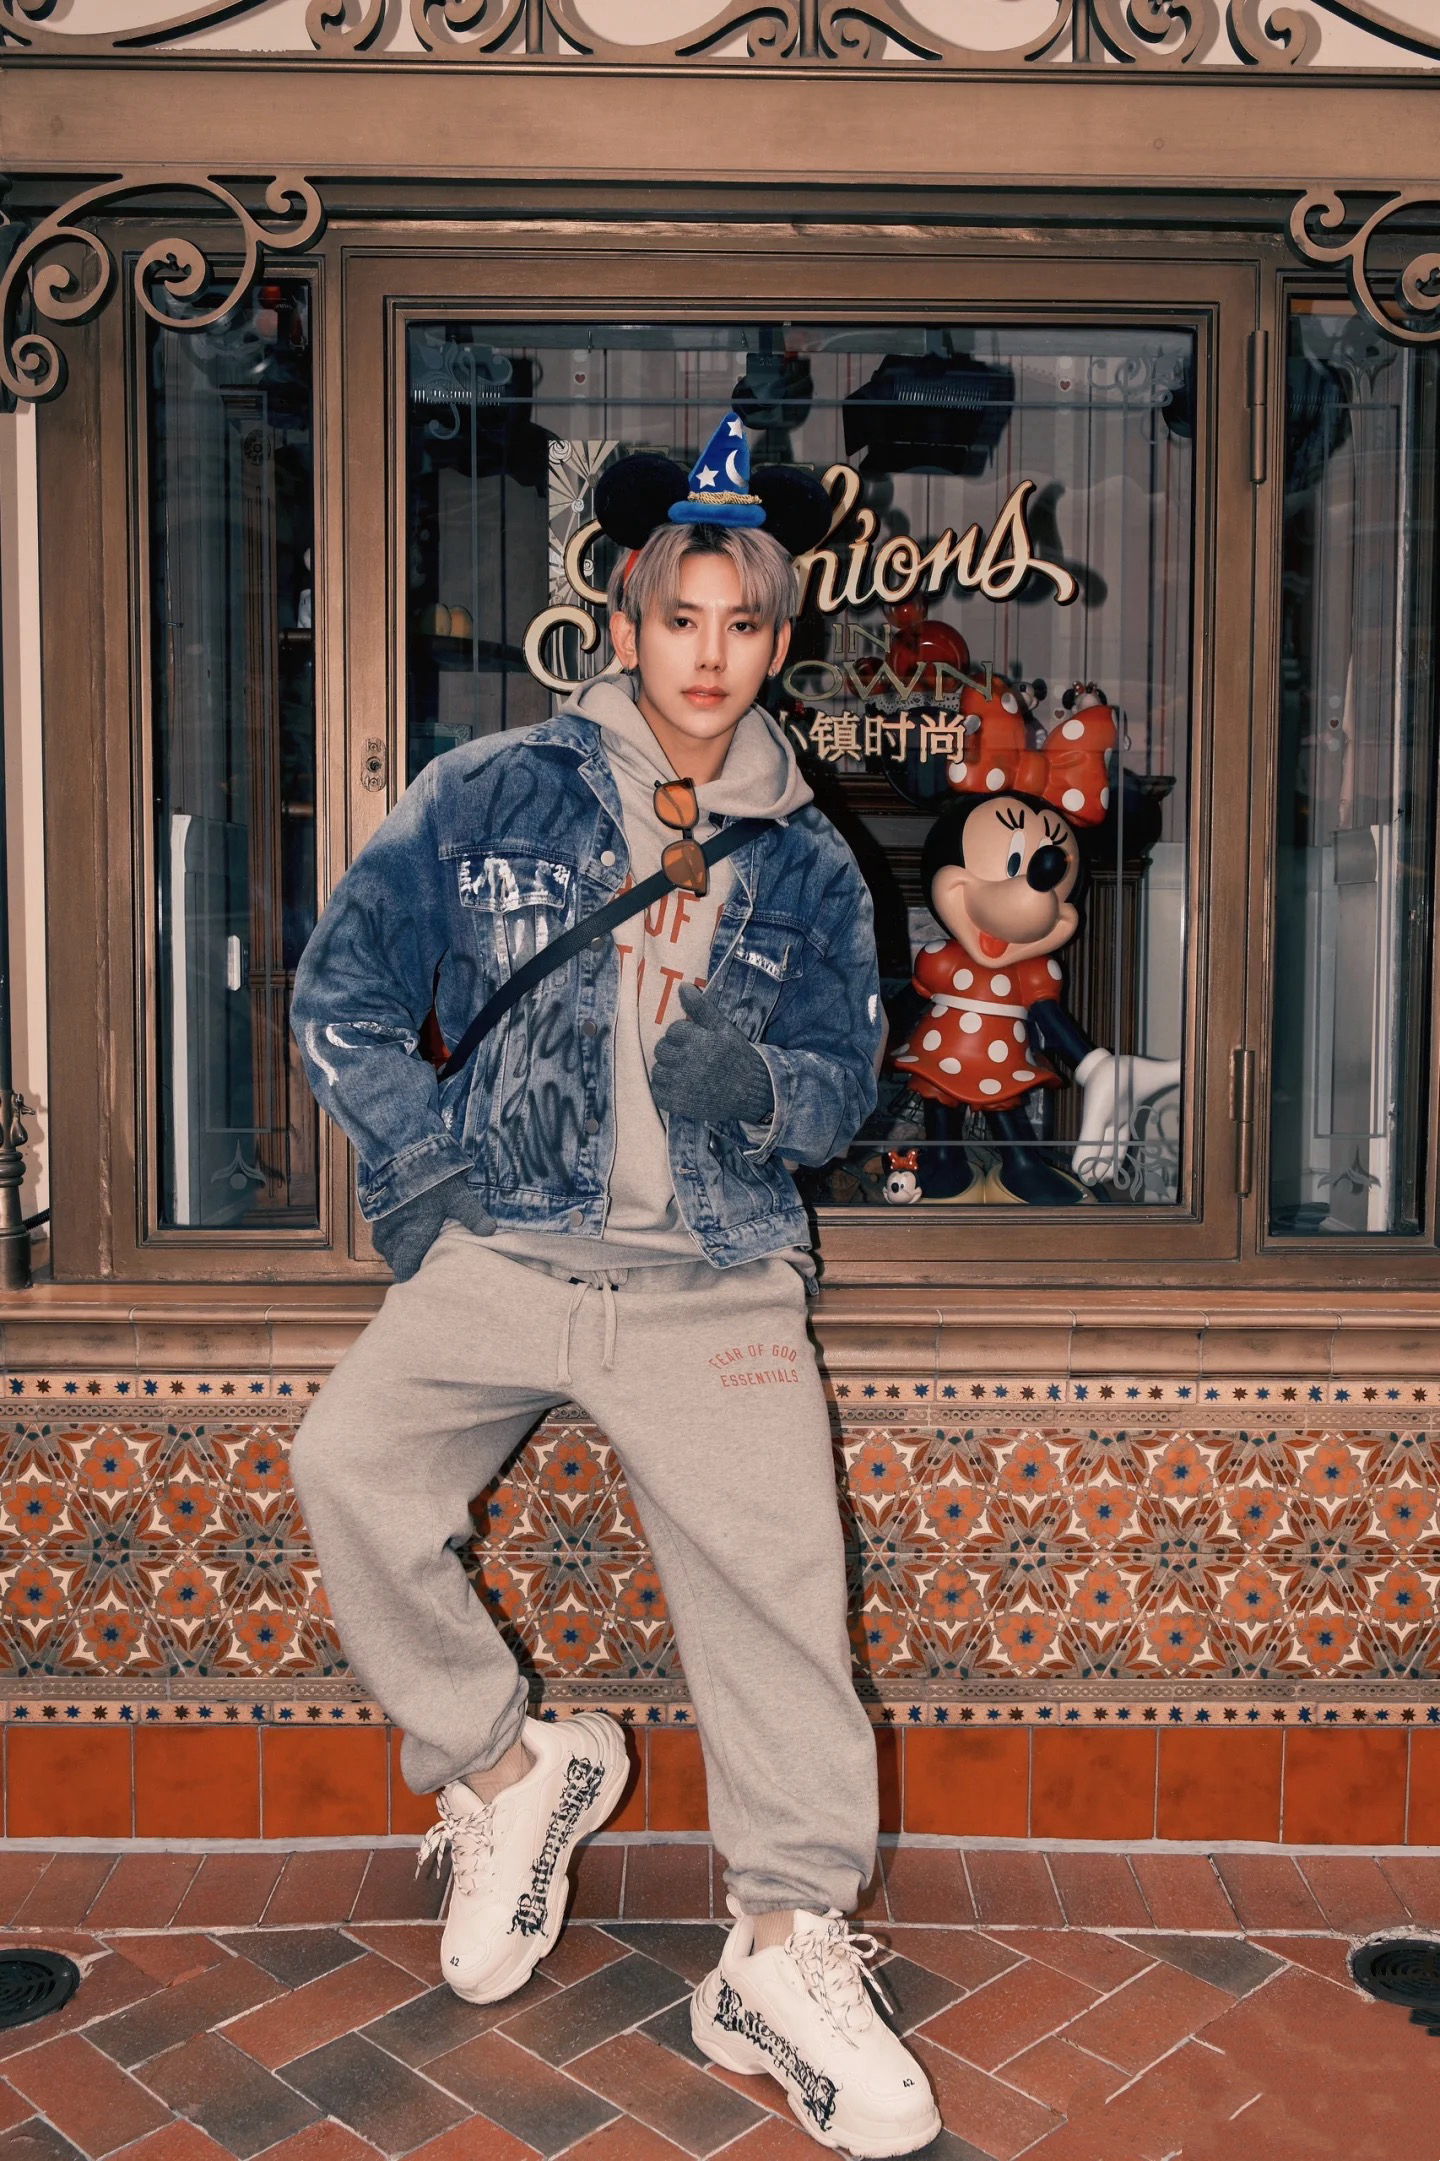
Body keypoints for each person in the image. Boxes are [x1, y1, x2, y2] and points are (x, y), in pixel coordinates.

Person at [288, 414, 942, 2157]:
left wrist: (769, 1093)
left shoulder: (810, 858)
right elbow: (343, 992)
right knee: (349, 1468)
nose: (709, 656)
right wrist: (422, 1174)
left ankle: (782, 1949)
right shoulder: (489, 791)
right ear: (628, 621)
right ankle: (512, 1771)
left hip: (712, 1280)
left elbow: (843, 1081)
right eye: (681, 618)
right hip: (507, 1243)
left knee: (782, 1602)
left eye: (743, 624)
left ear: (779, 641)